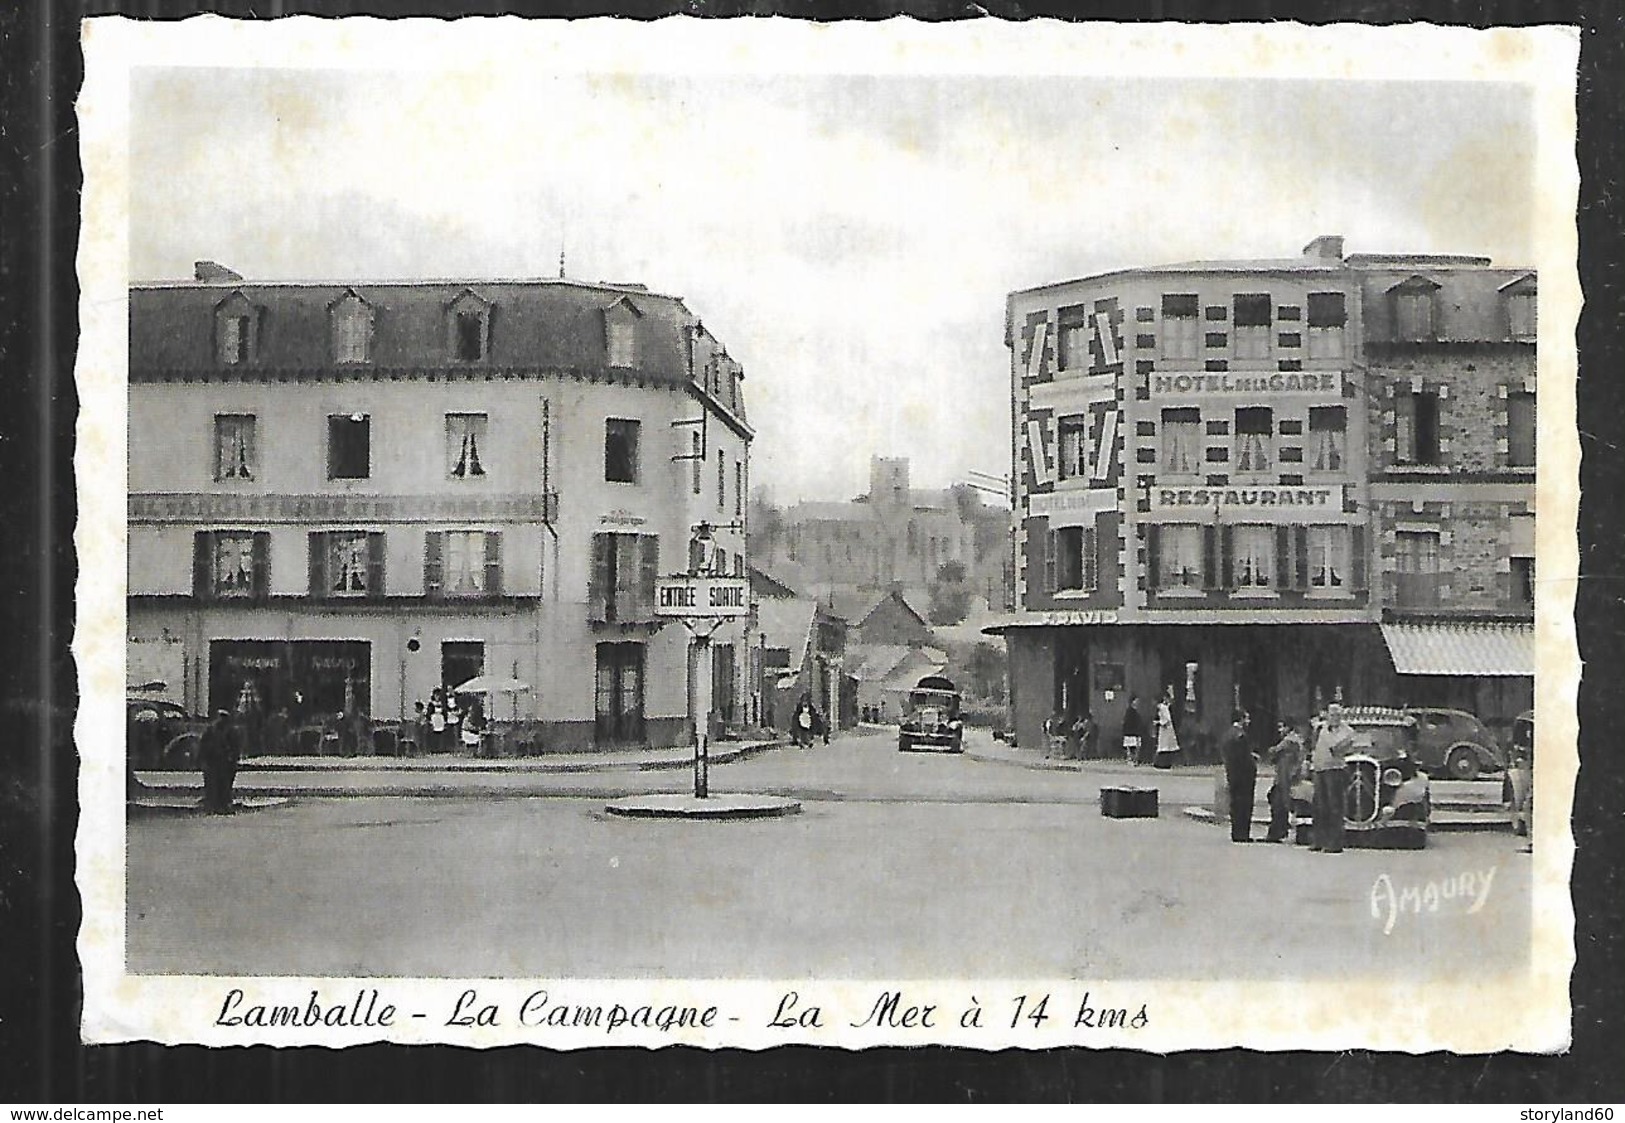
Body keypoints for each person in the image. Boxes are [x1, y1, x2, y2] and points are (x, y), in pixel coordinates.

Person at [1310, 702, 1356, 853]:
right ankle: (1319, 840)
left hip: (1335, 770)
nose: (1334, 718)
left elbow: (1336, 749)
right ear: (1327, 715)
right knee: (1319, 806)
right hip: (1319, 769)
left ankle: (1335, 843)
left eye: (1337, 715)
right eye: (1332, 715)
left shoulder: (1347, 731)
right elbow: (1313, 746)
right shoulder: (1320, 728)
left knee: (1334, 807)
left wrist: (1326, 731)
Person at [1264, 717, 1306, 843]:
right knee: (1278, 801)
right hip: (1288, 775)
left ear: (1288, 727)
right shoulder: (1297, 740)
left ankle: (1277, 832)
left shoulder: (1289, 741)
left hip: (1285, 776)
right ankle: (1280, 830)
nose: (1280, 730)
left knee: (1278, 803)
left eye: (1282, 727)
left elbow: (1273, 751)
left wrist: (1271, 751)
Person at [1220, 709, 1258, 842]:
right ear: (1241, 719)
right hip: (1244, 776)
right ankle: (1243, 834)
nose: (1248, 721)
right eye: (1247, 718)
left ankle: (1236, 832)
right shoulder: (1241, 736)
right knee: (1244, 804)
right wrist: (1252, 762)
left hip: (1233, 774)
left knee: (1235, 804)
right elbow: (1243, 757)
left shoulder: (1228, 734)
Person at [198, 709, 239, 814]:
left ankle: (223, 805)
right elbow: (203, 745)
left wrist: (232, 759)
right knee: (213, 784)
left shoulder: (230, 730)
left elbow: (235, 747)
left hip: (223, 762)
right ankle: (214, 805)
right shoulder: (211, 730)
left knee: (224, 784)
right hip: (213, 761)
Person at [1153, 687, 1181, 769]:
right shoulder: (1163, 707)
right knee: (1165, 747)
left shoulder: (1162, 707)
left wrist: (1159, 722)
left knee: (1164, 747)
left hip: (1166, 729)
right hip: (1166, 729)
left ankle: (1162, 764)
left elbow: (1166, 719)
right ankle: (1164, 763)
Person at [1120, 694, 1146, 765]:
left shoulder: (1135, 711)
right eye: (1136, 701)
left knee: (1136, 747)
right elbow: (1127, 723)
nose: (1137, 702)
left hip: (1135, 732)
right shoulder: (1130, 712)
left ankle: (1134, 760)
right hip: (1131, 732)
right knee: (1131, 747)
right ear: (1132, 702)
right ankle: (1130, 760)